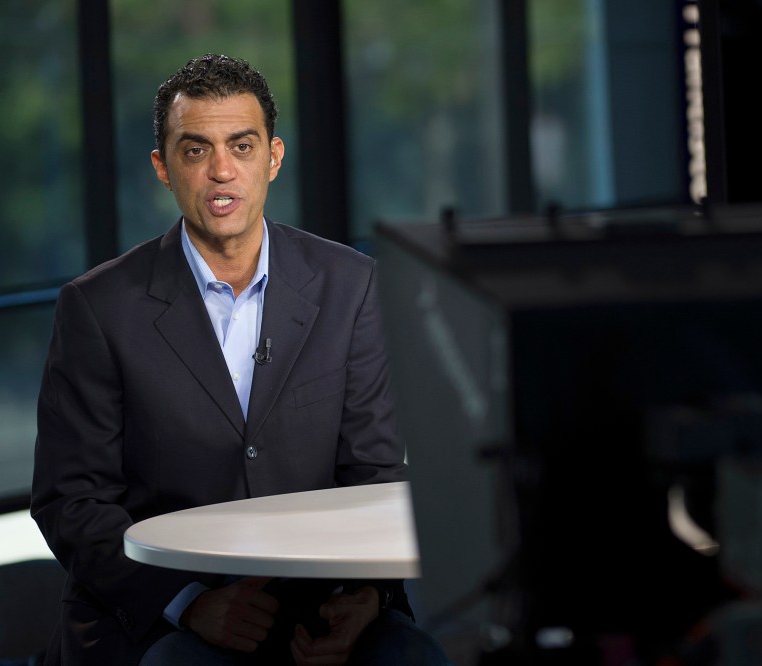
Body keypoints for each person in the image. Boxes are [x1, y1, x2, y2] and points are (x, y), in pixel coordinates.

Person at [30, 53, 452, 666]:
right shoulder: (97, 308)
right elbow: (72, 501)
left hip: (321, 604)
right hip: (164, 616)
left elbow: (373, 478)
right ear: (163, 167)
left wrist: (365, 597)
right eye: (195, 150)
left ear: (273, 158)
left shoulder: (352, 285)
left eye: (242, 146)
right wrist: (191, 603)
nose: (222, 170)